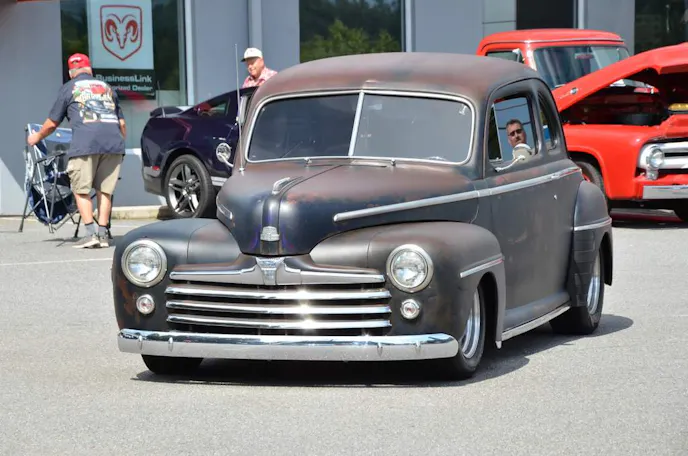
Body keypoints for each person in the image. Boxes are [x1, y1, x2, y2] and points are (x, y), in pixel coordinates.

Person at [28, 53, 126, 249]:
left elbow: (52, 123)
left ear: (71, 72)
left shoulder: (69, 88)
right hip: (114, 144)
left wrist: (36, 137)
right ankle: (103, 234)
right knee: (105, 191)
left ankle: (91, 234)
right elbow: (122, 124)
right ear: (89, 70)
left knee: (80, 190)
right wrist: (119, 144)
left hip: (85, 145)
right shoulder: (106, 87)